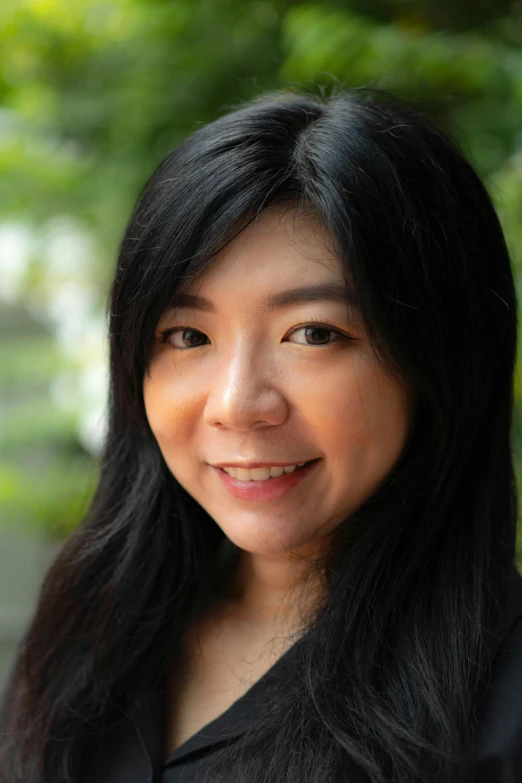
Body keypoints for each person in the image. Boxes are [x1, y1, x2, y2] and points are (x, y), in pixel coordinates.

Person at [0, 87, 521, 783]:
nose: (237, 403)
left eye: (314, 334)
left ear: (441, 358)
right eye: (188, 335)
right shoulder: (91, 636)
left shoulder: (500, 703)